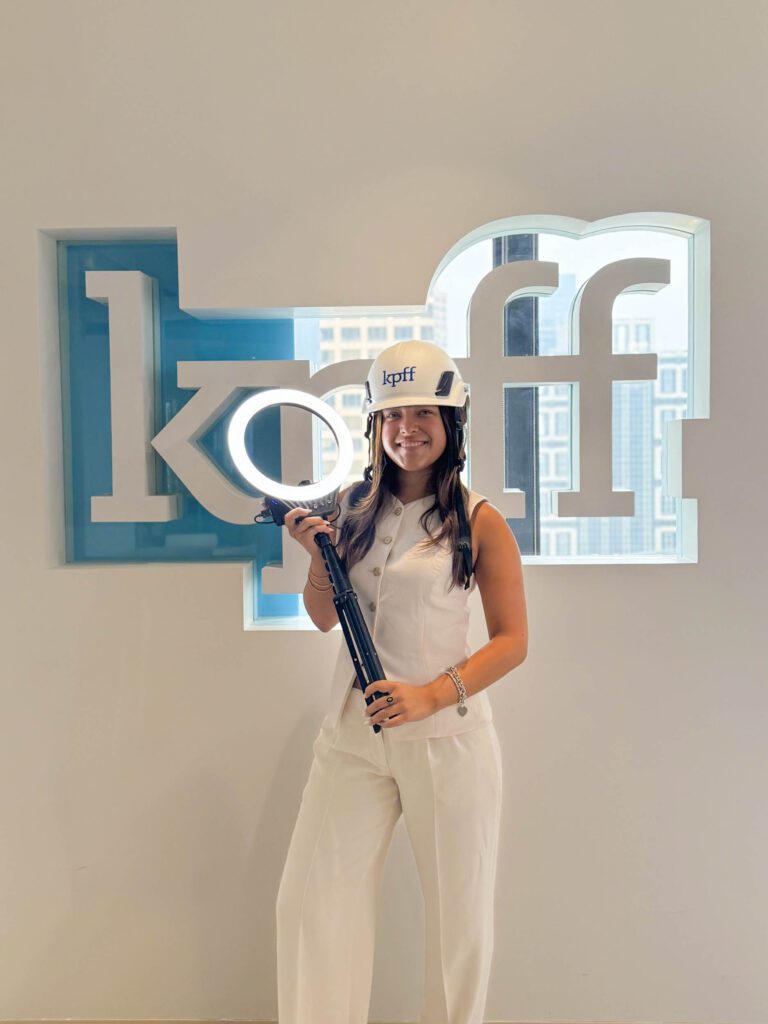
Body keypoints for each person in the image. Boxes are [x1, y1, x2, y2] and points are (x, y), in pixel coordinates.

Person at [275, 339, 528, 1024]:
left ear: (451, 424)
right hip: (351, 741)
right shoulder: (351, 506)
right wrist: (318, 555)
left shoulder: (479, 521)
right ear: (373, 425)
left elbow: (512, 642)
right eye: (391, 415)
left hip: (447, 744)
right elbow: (323, 618)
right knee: (309, 908)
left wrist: (429, 695)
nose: (406, 429)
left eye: (423, 414)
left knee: (457, 930)